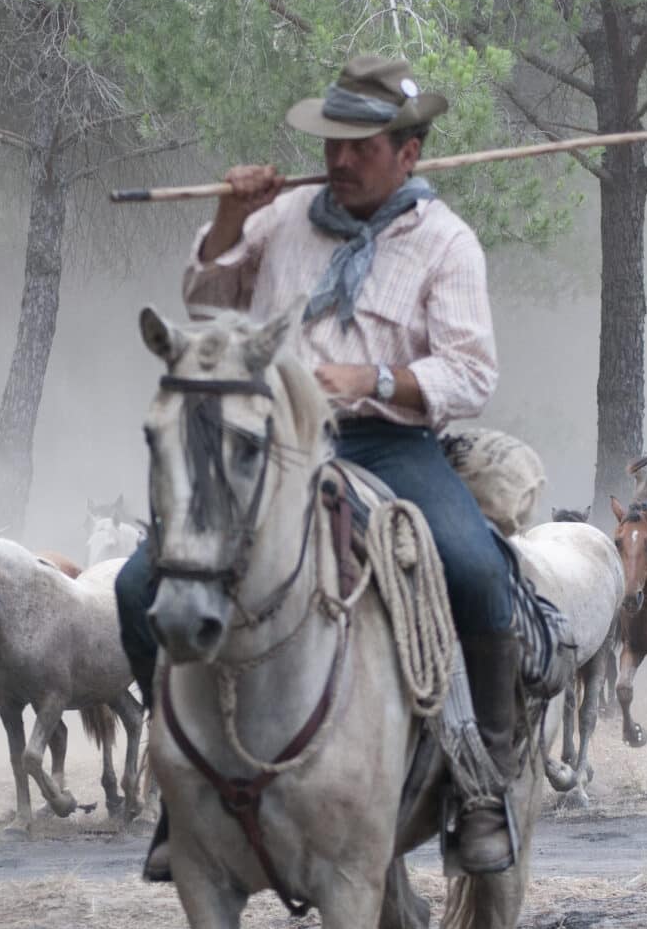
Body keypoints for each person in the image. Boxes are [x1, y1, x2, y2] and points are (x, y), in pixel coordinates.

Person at [115, 55, 533, 878]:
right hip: (267, 445)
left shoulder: (447, 244)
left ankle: (482, 781)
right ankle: (177, 780)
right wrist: (230, 218)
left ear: (409, 154)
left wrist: (374, 377)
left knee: (477, 570)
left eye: (362, 147)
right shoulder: (285, 217)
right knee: (138, 588)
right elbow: (207, 309)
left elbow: (471, 373)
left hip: (385, 442)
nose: (339, 161)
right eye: (332, 144)